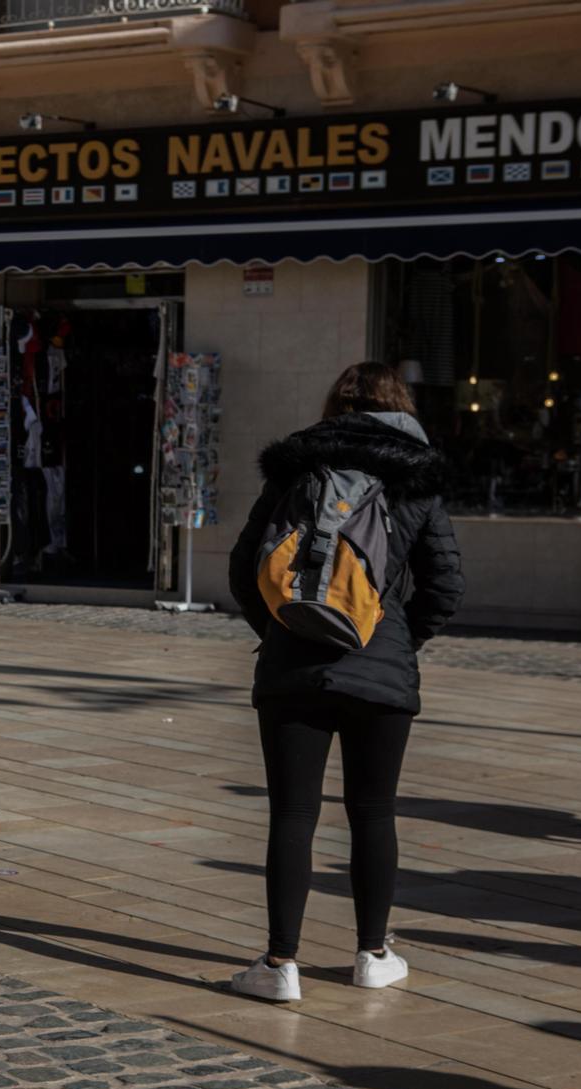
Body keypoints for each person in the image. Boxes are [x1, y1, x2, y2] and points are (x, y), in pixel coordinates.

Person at [226, 363, 465, 1002]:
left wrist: (281, 628)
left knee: (294, 813)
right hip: (380, 670)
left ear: (335, 405)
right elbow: (445, 584)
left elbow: (245, 565)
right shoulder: (416, 476)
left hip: (292, 666)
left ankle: (279, 965)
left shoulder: (295, 467)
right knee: (373, 812)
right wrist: (392, 642)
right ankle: (373, 955)